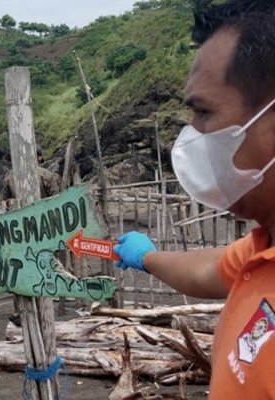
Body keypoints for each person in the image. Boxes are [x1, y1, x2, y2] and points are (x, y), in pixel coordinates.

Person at [114, 5, 275, 399]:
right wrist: (146, 257)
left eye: (204, 112)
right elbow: (209, 270)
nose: (193, 135)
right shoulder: (263, 248)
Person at [2, 144, 61, 326]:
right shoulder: (47, 176)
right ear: (40, 158)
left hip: (19, 230)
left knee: (20, 267)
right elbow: (57, 203)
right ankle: (46, 308)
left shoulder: (10, 177)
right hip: (44, 228)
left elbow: (5, 205)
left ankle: (20, 309)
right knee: (45, 265)